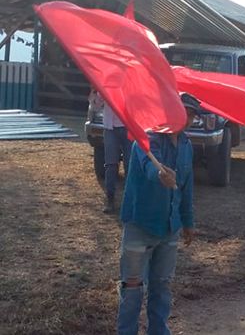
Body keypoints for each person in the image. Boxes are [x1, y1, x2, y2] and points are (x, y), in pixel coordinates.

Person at [116, 92, 199, 335]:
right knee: (132, 289)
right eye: (185, 112)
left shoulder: (186, 145)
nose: (188, 118)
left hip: (169, 228)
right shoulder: (146, 138)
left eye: (192, 115)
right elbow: (149, 167)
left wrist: (188, 222)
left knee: (162, 287)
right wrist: (161, 174)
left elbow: (187, 187)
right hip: (140, 225)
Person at [88, 88, 133, 214]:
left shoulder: (129, 82)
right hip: (110, 128)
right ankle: (110, 200)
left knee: (130, 165)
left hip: (128, 127)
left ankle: (129, 202)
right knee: (110, 165)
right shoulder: (105, 85)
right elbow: (96, 107)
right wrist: (95, 91)